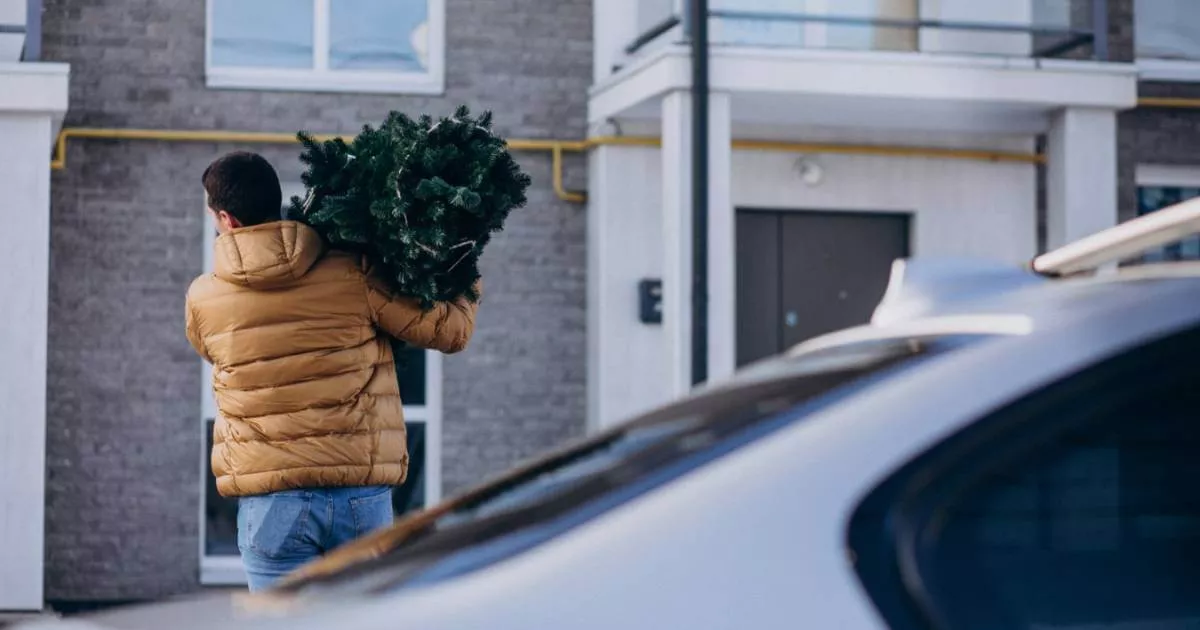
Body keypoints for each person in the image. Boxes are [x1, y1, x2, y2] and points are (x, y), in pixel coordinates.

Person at [185, 151, 479, 591]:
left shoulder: (204, 299)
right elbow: (449, 331)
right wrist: (465, 265)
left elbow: (216, 352)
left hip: (271, 505)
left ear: (225, 219)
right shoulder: (352, 272)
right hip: (359, 498)